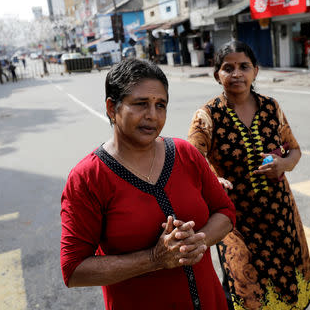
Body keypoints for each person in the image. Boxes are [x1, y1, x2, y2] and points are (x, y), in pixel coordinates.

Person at [60, 58, 236, 310]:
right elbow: (74, 269)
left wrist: (200, 239)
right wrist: (154, 259)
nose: (152, 116)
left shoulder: (185, 154)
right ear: (112, 108)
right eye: (141, 104)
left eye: (160, 105)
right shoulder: (89, 178)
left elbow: (225, 211)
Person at [187, 41, 310, 310]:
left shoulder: (271, 108)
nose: (236, 74)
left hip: (280, 215)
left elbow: (295, 151)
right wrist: (213, 181)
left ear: (255, 71)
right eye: (228, 68)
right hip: (235, 220)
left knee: (286, 281)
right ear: (216, 75)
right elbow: (192, 163)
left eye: (244, 67)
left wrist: (283, 165)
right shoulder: (207, 116)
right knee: (242, 285)